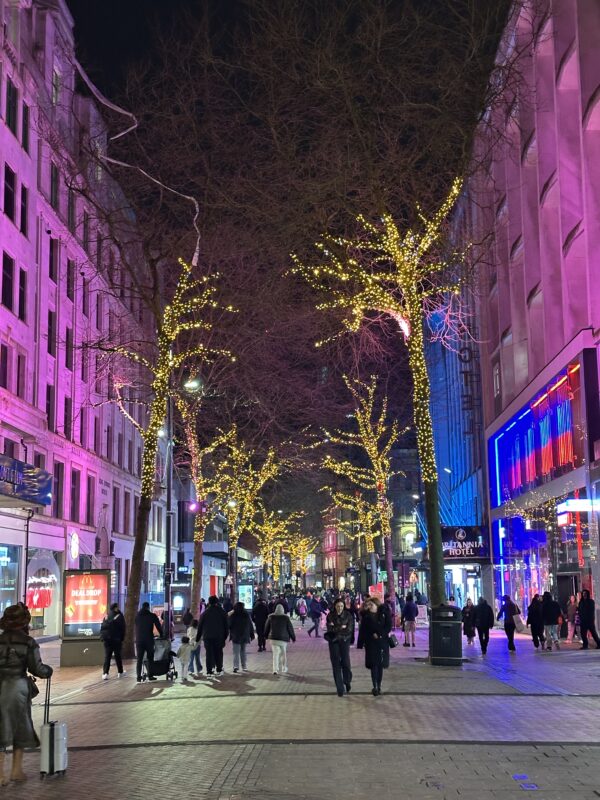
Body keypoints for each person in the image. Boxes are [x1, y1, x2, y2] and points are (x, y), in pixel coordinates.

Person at [0, 603, 53, 784]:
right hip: (18, 688)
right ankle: (16, 770)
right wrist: (48, 671)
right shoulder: (28, 642)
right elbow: (37, 668)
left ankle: (0, 774)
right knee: (20, 728)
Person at [357, 597, 391, 696]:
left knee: (380, 665)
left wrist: (380, 634)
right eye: (369, 605)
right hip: (371, 643)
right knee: (373, 665)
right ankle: (375, 686)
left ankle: (379, 685)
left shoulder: (384, 614)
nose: (370, 606)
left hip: (382, 642)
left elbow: (388, 626)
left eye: (371, 605)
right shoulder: (366, 616)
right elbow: (363, 630)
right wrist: (361, 643)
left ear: (377, 605)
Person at [325, 598, 355, 696]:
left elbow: (349, 629)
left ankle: (347, 681)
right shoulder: (330, 616)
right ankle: (340, 688)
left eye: (341, 606)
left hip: (345, 641)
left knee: (346, 663)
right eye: (338, 606)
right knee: (336, 664)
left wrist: (336, 629)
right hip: (333, 642)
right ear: (335, 606)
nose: (339, 608)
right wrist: (341, 627)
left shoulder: (348, 615)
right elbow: (330, 629)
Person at [196, 595, 228, 676]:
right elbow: (226, 626)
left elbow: (200, 626)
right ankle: (219, 669)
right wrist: (225, 636)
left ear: (209, 602)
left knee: (209, 654)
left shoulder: (205, 613)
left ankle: (209, 671)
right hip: (219, 636)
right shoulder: (222, 612)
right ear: (217, 602)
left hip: (207, 637)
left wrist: (198, 638)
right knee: (219, 653)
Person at [135, 601, 162, 682]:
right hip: (148, 640)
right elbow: (158, 625)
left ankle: (138, 677)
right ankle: (150, 675)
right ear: (148, 607)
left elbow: (136, 625)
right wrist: (162, 634)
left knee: (139, 659)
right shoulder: (152, 615)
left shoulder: (137, 616)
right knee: (150, 658)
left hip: (139, 640)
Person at [264, 603, 296, 674]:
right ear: (283, 610)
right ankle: (284, 668)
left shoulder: (271, 617)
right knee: (283, 654)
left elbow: (267, 627)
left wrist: (265, 636)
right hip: (283, 639)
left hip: (273, 639)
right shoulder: (286, 618)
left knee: (275, 654)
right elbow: (290, 628)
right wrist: (293, 637)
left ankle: (275, 669)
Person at [100, 602, 126, 679]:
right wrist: (122, 638)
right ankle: (120, 672)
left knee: (107, 656)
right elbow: (123, 628)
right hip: (116, 639)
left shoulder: (106, 616)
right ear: (116, 608)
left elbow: (103, 627)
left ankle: (105, 673)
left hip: (107, 640)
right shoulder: (119, 616)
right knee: (118, 656)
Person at [229, 601, 255, 673]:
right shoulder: (246, 614)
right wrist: (252, 634)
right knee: (243, 651)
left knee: (236, 652)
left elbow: (229, 624)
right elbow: (250, 625)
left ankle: (236, 666)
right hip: (244, 636)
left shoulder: (233, 615)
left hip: (236, 636)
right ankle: (244, 666)